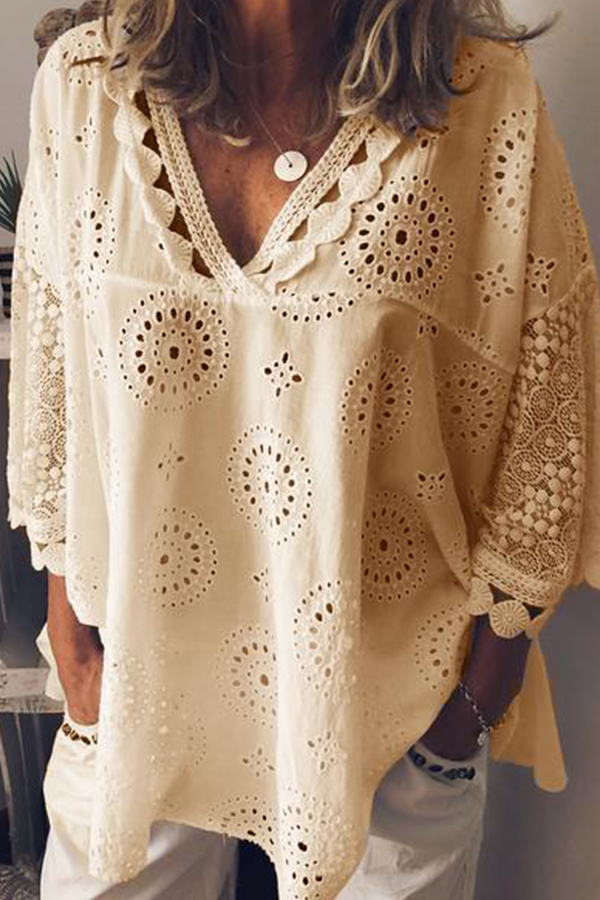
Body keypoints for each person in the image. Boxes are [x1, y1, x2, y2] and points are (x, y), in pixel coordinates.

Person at [6, 0, 600, 898]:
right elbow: (52, 379)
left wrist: (475, 699)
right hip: (137, 696)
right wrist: (72, 633)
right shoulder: (87, 87)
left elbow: (546, 402)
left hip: (392, 718)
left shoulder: (481, 99)